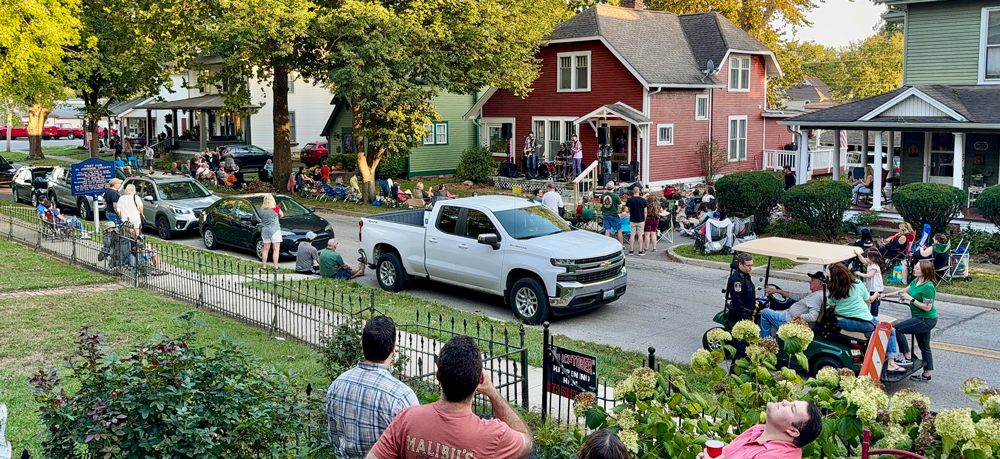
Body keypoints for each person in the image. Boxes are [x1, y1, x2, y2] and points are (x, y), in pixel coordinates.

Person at [366, 335, 533, 459]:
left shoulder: (406, 419)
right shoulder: (494, 435)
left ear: (438, 376)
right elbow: (526, 441)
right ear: (480, 380)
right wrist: (493, 393)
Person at [327, 316, 418, 459]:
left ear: (362, 344)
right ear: (394, 347)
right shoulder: (401, 396)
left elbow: (335, 439)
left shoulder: (338, 384)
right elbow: (414, 448)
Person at [827, 263, 906, 374]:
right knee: (891, 330)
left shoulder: (832, 289)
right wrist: (876, 294)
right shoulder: (857, 284)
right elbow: (869, 300)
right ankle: (891, 363)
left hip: (844, 322)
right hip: (864, 322)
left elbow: (832, 307)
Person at [694, 400, 823, 459]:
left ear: (793, 431)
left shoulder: (774, 457)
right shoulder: (759, 430)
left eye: (791, 408)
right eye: (791, 402)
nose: (785, 402)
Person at [883, 260, 938, 382]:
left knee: (896, 330)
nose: (914, 269)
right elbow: (902, 292)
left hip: (926, 319)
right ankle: (927, 374)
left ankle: (907, 356)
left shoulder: (928, 286)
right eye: (915, 267)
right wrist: (884, 295)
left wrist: (911, 299)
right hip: (919, 318)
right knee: (924, 347)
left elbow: (927, 307)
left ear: (925, 271)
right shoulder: (916, 281)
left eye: (917, 268)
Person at [759, 272, 826, 338]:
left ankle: (765, 340)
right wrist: (777, 291)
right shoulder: (818, 293)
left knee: (765, 312)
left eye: (812, 280)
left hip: (789, 320)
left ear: (820, 283)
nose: (809, 282)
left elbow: (813, 317)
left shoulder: (816, 297)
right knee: (777, 311)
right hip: (789, 315)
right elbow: (797, 296)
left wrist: (799, 316)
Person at [854, 248, 885, 316]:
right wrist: (858, 254)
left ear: (872, 258)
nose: (866, 259)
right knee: (873, 300)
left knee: (874, 302)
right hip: (872, 286)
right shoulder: (870, 263)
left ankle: (874, 315)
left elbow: (869, 275)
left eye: (868, 257)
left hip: (876, 287)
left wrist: (859, 273)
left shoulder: (874, 266)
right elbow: (863, 260)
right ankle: (873, 314)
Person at [259, 194, 284, 271]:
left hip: (265, 230)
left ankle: (264, 266)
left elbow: (261, 217)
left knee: (265, 249)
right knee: (276, 249)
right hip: (275, 230)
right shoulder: (276, 208)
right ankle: (275, 266)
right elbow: (282, 215)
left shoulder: (261, 209)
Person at [625, 187, 647, 256]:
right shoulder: (643, 200)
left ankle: (631, 250)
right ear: (639, 192)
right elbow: (645, 211)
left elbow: (626, 210)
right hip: (641, 219)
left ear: (633, 191)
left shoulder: (629, 200)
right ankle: (640, 251)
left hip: (632, 219)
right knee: (640, 235)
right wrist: (644, 219)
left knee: (632, 235)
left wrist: (630, 211)